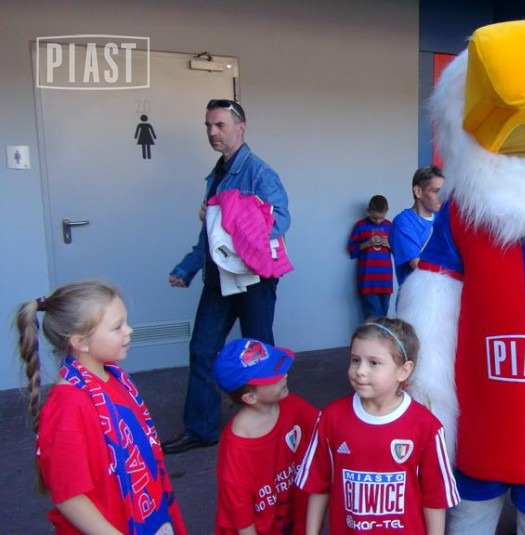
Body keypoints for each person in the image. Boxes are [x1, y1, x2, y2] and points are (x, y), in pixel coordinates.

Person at [165, 99, 291, 454]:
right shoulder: (218, 173)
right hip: (219, 278)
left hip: (254, 280)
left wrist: (228, 216)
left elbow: (280, 222)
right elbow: (211, 236)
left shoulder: (260, 173)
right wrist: (188, 268)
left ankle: (272, 427)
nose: (212, 132)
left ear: (241, 127)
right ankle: (201, 429)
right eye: (208, 126)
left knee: (260, 351)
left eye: (220, 125)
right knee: (202, 349)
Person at [15, 281, 186, 534]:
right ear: (80, 342)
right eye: (117, 327)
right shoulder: (67, 407)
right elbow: (70, 496)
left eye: (126, 322)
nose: (129, 330)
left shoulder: (113, 378)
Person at [297, 318, 459, 534]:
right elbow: (317, 485)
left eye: (373, 363)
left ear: (403, 371)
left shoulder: (426, 426)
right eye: (355, 360)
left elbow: (435, 498)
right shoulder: (331, 418)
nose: (360, 370)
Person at [214, 338, 319, 535]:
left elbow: (328, 430)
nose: (284, 374)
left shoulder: (293, 405)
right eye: (273, 374)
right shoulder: (236, 448)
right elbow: (241, 514)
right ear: (250, 397)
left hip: (291, 518)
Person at [391, 165, 445, 286]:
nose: (442, 197)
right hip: (416, 296)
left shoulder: (443, 220)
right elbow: (417, 265)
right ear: (418, 191)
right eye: (436, 191)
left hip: (444, 293)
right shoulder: (403, 222)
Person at [347, 195, 394, 319]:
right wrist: (367, 244)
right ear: (368, 211)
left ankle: (381, 333)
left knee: (384, 318)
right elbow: (352, 251)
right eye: (374, 218)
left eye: (381, 218)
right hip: (367, 281)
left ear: (387, 212)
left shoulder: (390, 226)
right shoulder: (360, 226)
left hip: (385, 282)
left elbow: (400, 252)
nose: (378, 221)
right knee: (372, 317)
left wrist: (390, 245)